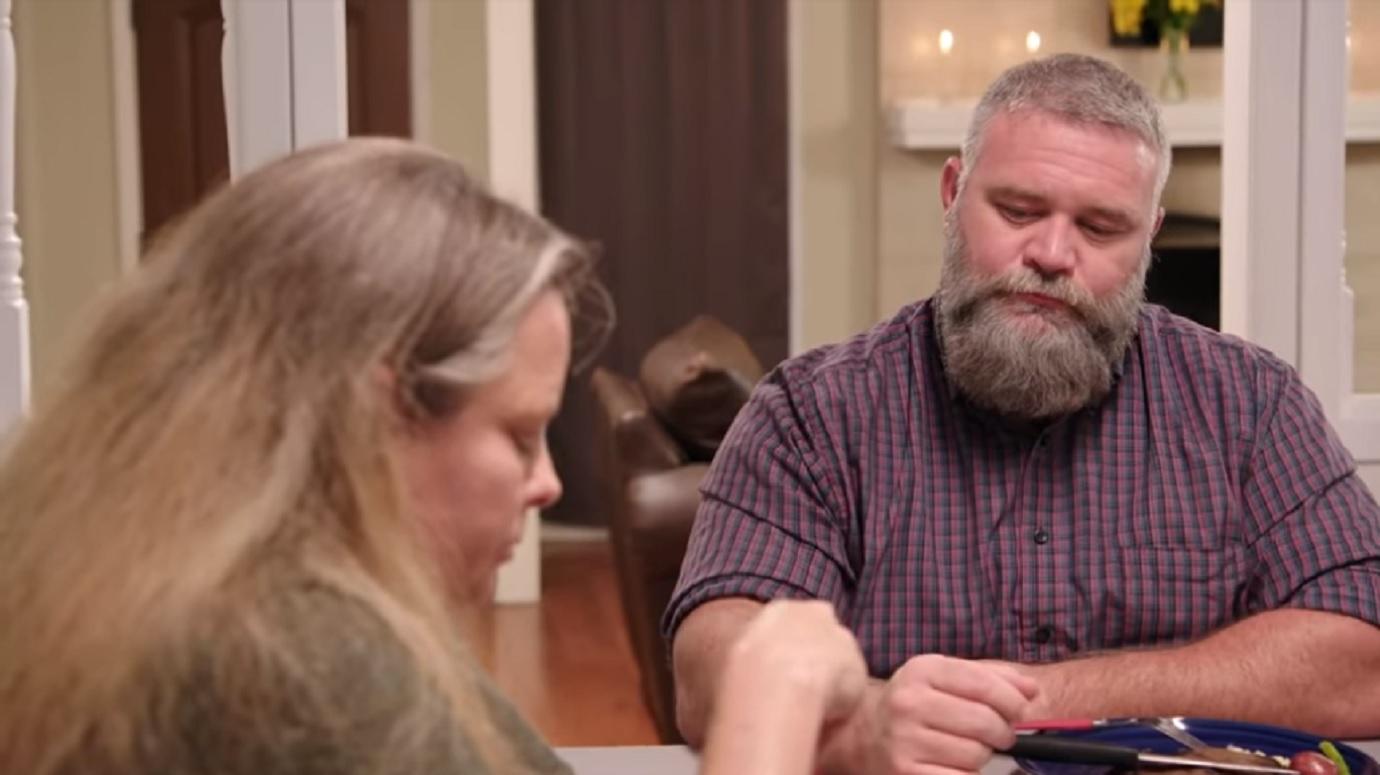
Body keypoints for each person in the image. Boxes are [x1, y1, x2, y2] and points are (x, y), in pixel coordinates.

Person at [0, 138, 867, 775]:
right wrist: (769, 706)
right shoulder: (299, 657)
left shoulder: (218, 587)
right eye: (519, 435)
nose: (549, 482)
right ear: (372, 414)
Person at [666, 53, 1380, 774]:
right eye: (1018, 210)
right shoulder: (809, 415)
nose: (1050, 253)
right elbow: (709, 670)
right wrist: (870, 724)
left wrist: (1024, 701)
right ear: (952, 193)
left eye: (1101, 227)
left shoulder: (1252, 404)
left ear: (1149, 238)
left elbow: (1366, 653)